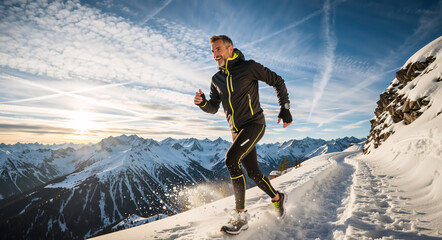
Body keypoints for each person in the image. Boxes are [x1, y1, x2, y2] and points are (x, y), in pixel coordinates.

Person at [194, 35, 293, 235]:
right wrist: (203, 103)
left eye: (218, 49)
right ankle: (277, 198)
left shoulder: (248, 67)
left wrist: (285, 107)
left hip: (254, 124)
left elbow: (277, 81)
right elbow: (214, 108)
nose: (215, 54)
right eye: (212, 51)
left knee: (231, 160)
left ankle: (240, 216)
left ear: (230, 49)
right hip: (236, 131)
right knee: (254, 173)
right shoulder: (216, 79)